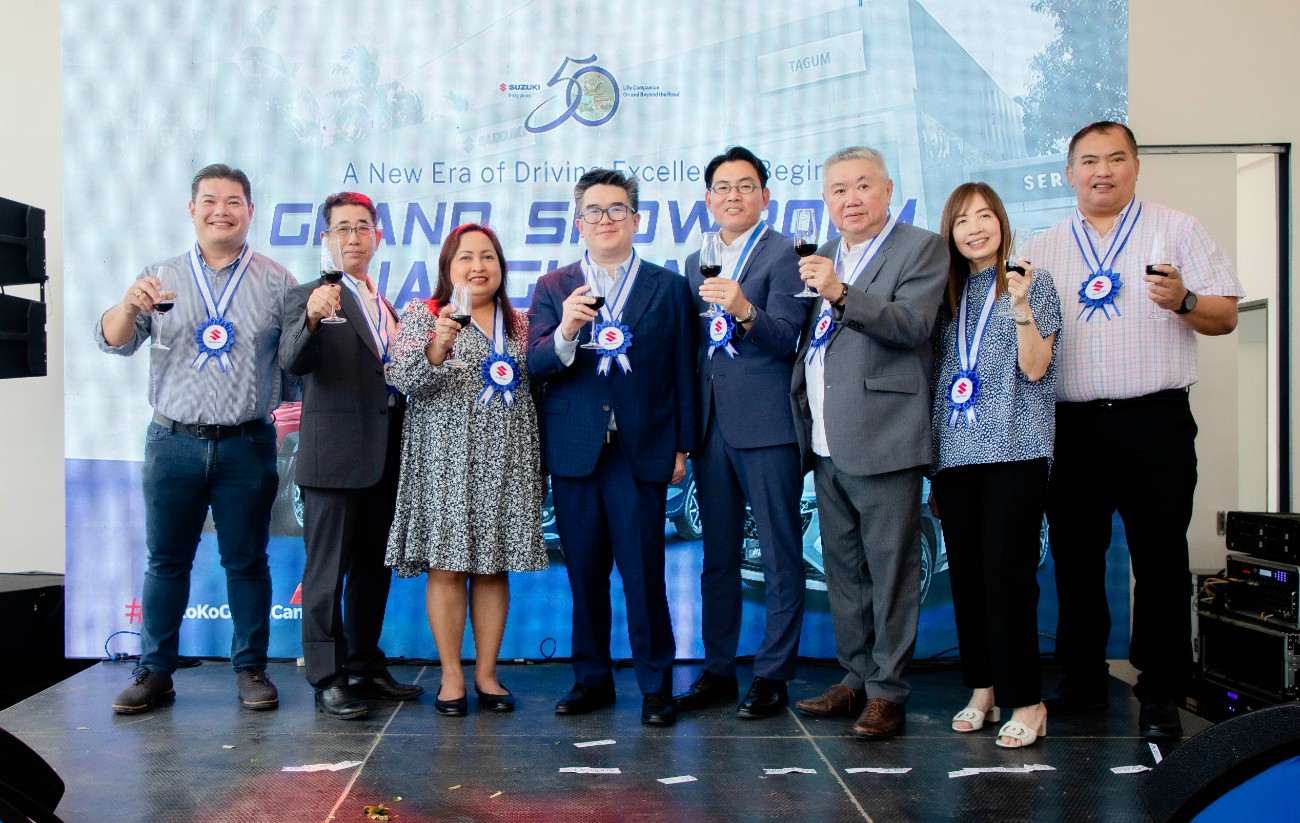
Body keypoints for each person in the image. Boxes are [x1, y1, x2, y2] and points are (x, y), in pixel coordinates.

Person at [1025, 122, 1243, 739]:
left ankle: (1161, 688)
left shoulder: (1177, 229)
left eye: (1116, 159)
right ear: (1069, 174)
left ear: (1136, 166)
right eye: (1089, 161)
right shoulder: (1042, 249)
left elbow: (1225, 316)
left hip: (1156, 420)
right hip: (1071, 425)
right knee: (1074, 557)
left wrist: (1182, 300)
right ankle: (1082, 676)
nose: (1103, 171)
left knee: (1161, 557)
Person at [97, 164, 297, 714]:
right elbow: (114, 342)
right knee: (166, 561)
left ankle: (251, 669)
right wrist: (128, 304)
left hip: (247, 443)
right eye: (209, 201)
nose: (221, 211)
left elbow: (295, 364)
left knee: (248, 561)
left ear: (249, 211)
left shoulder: (278, 282)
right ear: (192, 210)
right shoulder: (158, 278)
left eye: (233, 202)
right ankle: (155, 671)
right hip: (173, 442)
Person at [527, 169, 697, 727]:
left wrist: (683, 447)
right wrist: (567, 332)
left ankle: (656, 686)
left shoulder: (667, 287)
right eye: (594, 211)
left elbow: (682, 373)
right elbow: (535, 365)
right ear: (580, 222)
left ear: (636, 219)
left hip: (640, 450)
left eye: (617, 210)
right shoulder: (556, 287)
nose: (606, 220)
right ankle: (591, 679)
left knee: (644, 574)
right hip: (576, 450)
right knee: (585, 574)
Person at [789, 146, 948, 740]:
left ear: (887, 190)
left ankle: (888, 691)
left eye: (862, 187)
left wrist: (840, 293)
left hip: (885, 435)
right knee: (843, 571)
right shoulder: (825, 255)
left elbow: (912, 326)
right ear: (825, 200)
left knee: (891, 571)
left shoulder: (921, 247)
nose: (850, 199)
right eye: (837, 190)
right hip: (827, 440)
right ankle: (855, 677)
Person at [386, 223, 547, 716]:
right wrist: (437, 344)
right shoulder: (424, 313)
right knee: (449, 566)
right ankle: (452, 676)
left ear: (501, 267)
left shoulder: (520, 322)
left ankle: (488, 675)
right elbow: (402, 378)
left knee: (495, 568)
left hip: (508, 461)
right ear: (447, 268)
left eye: (488, 257)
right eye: (466, 258)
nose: (478, 267)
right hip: (444, 461)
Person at [673, 146, 810, 719]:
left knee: (780, 552)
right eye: (723, 187)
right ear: (708, 199)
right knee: (718, 557)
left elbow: (787, 339)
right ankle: (719, 669)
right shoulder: (692, 260)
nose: (733, 196)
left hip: (766, 423)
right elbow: (688, 350)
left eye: (745, 186)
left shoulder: (786, 255)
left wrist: (745, 309)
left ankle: (773, 675)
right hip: (709, 428)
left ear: (765, 196)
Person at [280, 192, 423, 720]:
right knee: (326, 574)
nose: (354, 237)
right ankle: (326, 675)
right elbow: (292, 360)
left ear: (377, 237)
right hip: (334, 458)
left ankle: (364, 662)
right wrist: (313, 320)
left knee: (371, 570)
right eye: (342, 228)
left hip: (386, 456)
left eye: (363, 227)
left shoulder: (382, 301)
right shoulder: (310, 296)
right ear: (326, 239)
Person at [928, 183, 1061, 748]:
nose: (974, 228)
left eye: (984, 216)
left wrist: (1024, 309)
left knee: (1007, 576)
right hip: (956, 454)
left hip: (1015, 449)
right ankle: (982, 686)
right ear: (951, 234)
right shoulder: (947, 293)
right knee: (968, 578)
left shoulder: (1032, 281)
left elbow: (1036, 369)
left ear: (1001, 222)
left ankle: (1027, 700)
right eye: (962, 221)